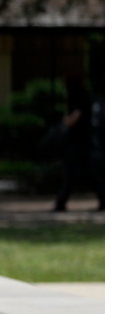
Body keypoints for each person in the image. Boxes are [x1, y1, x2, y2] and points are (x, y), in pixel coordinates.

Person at [54, 76, 105, 212]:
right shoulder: (85, 97)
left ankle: (61, 202)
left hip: (78, 143)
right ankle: (104, 200)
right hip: (84, 142)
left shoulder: (77, 96)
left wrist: (65, 122)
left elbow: (74, 117)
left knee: (73, 174)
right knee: (90, 174)